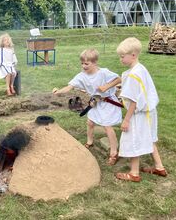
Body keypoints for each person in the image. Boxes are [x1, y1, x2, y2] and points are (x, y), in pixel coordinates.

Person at [53, 49, 122, 165]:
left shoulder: (103, 72)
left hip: (107, 102)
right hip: (95, 102)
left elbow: (119, 79)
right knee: (90, 122)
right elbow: (69, 87)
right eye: (82, 63)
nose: (83, 66)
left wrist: (106, 86)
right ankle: (90, 142)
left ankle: (114, 153)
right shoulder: (81, 76)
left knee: (107, 126)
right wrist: (58, 92)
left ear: (94, 63)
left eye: (86, 63)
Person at [115, 37, 166, 182]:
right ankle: (159, 167)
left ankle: (134, 173)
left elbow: (133, 101)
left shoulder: (133, 74)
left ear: (133, 55)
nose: (120, 59)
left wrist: (126, 120)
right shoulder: (140, 68)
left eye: (122, 56)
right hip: (150, 111)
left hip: (138, 113)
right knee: (149, 137)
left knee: (134, 138)